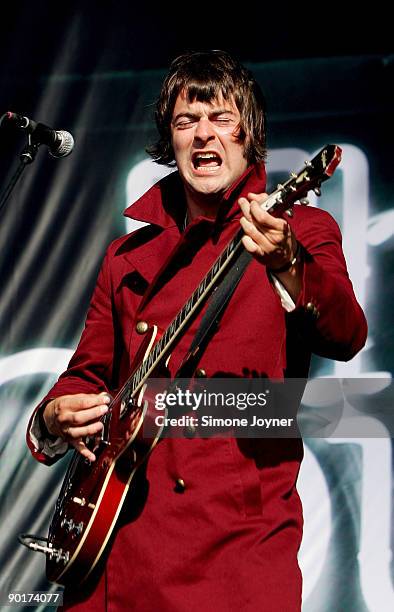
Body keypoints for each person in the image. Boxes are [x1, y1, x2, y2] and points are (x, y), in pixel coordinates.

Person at [26, 50, 367, 611]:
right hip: (119, 554)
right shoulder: (126, 257)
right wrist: (54, 414)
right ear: (171, 140)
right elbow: (84, 374)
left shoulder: (301, 228)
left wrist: (288, 262)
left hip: (235, 558)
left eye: (221, 119)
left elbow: (347, 334)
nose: (203, 135)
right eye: (186, 122)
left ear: (249, 133)